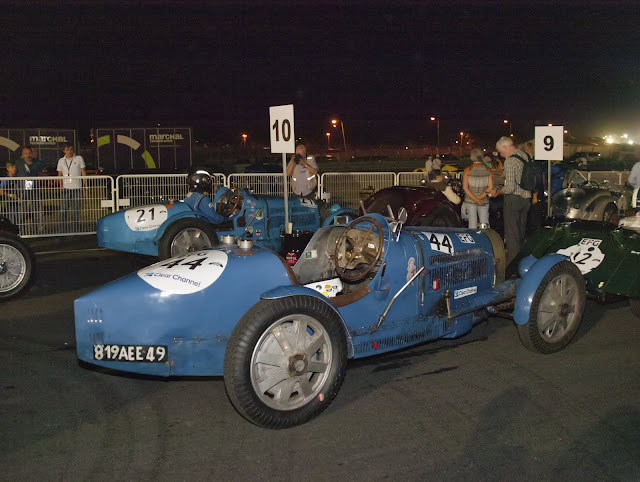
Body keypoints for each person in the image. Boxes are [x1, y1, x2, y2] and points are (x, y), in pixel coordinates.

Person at [490, 136, 532, 264]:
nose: (501, 155)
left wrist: (497, 192)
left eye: (500, 151)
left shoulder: (510, 160)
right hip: (526, 199)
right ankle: (523, 259)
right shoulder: (525, 156)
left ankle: (513, 263)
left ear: (506, 147)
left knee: (512, 234)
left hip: (513, 200)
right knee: (521, 231)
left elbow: (509, 187)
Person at [57, 142, 87, 233]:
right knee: (63, 210)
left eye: (70, 149)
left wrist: (85, 187)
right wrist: (61, 185)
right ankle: (63, 230)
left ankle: (75, 230)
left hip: (77, 188)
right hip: (65, 188)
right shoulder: (61, 161)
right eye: (67, 150)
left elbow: (83, 172)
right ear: (64, 151)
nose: (69, 151)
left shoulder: (78, 158)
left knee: (76, 210)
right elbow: (59, 174)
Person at [462, 148, 493, 229]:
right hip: (484, 200)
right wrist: (480, 197)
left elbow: (465, 188)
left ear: (472, 157)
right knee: (484, 224)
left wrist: (475, 199)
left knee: (472, 225)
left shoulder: (467, 170)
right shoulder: (488, 170)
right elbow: (490, 187)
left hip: (470, 200)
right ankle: (485, 240)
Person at [16, 145, 43, 234]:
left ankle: (35, 231)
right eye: (25, 153)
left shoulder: (37, 162)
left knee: (35, 212)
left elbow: (40, 167)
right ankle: (21, 232)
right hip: (22, 191)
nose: (27, 155)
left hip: (34, 191)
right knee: (22, 213)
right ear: (22, 154)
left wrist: (31, 163)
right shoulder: (18, 162)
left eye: (29, 153)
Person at [0, 160, 24, 225]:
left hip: (18, 202)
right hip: (10, 203)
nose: (14, 169)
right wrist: (10, 195)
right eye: (12, 167)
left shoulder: (16, 178)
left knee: (19, 219)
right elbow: (1, 190)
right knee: (11, 219)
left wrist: (20, 193)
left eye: (15, 167)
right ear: (8, 168)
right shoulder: (5, 179)